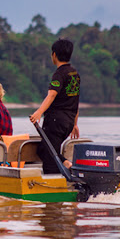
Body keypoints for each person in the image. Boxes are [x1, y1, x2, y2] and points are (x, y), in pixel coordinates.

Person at [29, 38, 81, 174]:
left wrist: (39, 112)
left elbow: (51, 95)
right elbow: (75, 100)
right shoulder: (74, 74)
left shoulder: (59, 74)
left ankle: (57, 182)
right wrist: (74, 124)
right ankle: (67, 163)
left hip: (55, 121)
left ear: (54, 55)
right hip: (68, 123)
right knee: (45, 149)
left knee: (50, 158)